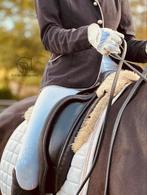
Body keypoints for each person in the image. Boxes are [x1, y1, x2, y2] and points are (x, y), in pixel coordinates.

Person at [15, 0, 147, 192]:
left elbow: (125, 42)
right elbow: (50, 35)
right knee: (27, 166)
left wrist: (144, 49)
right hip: (68, 78)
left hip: (118, 76)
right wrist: (88, 35)